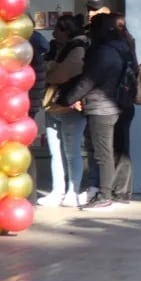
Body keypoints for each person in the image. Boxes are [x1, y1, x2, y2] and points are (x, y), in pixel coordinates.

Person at [61, 13, 136, 211]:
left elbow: (89, 80)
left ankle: (104, 195)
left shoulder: (103, 52)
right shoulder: (122, 47)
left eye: (92, 28)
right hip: (118, 104)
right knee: (115, 151)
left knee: (103, 153)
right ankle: (118, 193)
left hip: (102, 106)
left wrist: (67, 98)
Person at [41, 15, 90, 207]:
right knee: (56, 153)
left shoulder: (78, 48)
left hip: (70, 105)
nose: (53, 33)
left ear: (66, 30)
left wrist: (50, 69)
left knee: (71, 152)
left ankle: (73, 190)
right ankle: (58, 190)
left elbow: (62, 74)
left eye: (58, 29)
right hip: (53, 104)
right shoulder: (56, 48)